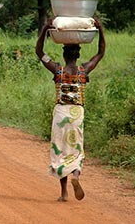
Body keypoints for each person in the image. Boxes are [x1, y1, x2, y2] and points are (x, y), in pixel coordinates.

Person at [35, 17, 105, 202]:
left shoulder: (57, 70)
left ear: (65, 55)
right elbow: (100, 53)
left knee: (60, 149)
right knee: (76, 148)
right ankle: (76, 175)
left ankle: (64, 193)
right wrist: (101, 29)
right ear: (78, 55)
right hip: (76, 114)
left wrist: (44, 28)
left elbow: (39, 52)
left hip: (60, 114)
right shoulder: (84, 70)